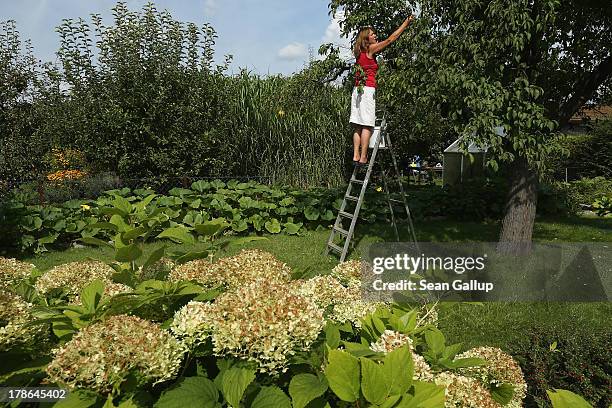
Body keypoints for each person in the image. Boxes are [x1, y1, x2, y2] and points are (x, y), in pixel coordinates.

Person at [350, 15, 414, 165]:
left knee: (358, 126)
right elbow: (391, 39)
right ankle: (364, 156)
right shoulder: (370, 49)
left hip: (357, 90)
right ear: (367, 38)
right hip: (367, 90)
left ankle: (355, 155)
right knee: (367, 125)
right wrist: (406, 23)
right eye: (372, 34)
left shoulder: (358, 50)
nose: (375, 36)